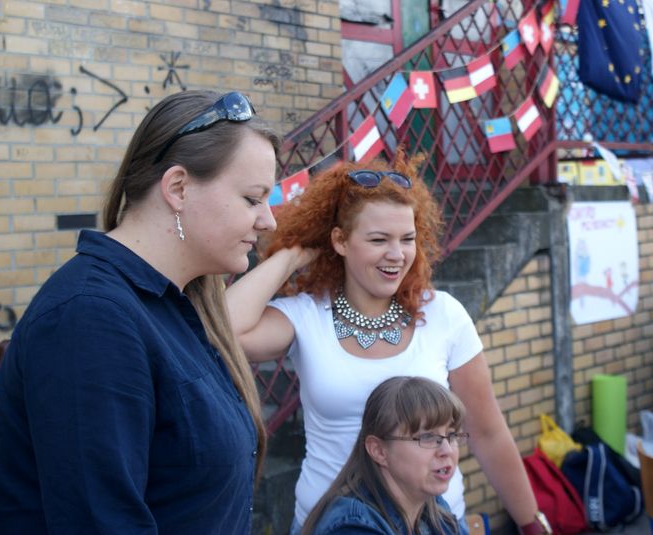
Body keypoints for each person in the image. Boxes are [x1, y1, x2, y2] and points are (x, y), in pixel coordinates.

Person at [0, 89, 279, 534]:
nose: (268, 220)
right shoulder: (92, 319)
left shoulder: (172, 303)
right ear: (178, 188)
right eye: (253, 199)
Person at [226, 151, 550, 535]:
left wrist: (531, 522)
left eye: (407, 239)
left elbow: (488, 431)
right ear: (340, 241)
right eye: (379, 239)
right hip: (333, 526)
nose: (397, 255)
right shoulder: (306, 315)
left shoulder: (444, 314)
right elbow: (224, 330)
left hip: (435, 524)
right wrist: (294, 254)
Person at [302, 376, 466, 535]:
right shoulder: (353, 527)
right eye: (427, 437)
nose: (447, 450)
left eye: (452, 435)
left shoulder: (433, 506)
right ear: (379, 451)